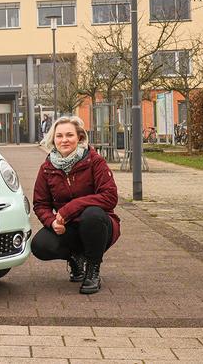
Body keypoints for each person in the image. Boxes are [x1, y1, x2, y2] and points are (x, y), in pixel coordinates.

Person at [30, 116, 120, 294]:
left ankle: (93, 270)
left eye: (69, 135)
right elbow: (40, 204)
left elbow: (110, 197)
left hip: (99, 225)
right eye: (59, 136)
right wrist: (52, 222)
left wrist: (71, 208)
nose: (64, 140)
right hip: (68, 227)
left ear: (79, 137)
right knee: (39, 245)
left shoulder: (94, 161)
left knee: (92, 215)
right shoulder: (47, 168)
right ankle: (75, 258)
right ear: (53, 139)